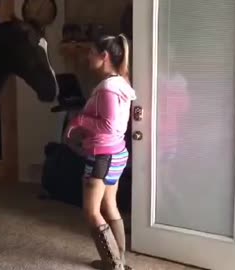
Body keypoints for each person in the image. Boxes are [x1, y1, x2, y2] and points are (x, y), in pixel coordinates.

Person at [65, 34, 136, 270]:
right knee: (110, 205)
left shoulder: (107, 88)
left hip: (102, 155)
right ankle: (119, 260)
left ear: (104, 56)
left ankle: (114, 264)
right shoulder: (120, 82)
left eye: (91, 53)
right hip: (115, 153)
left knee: (92, 211)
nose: (88, 57)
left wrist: (79, 120)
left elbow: (108, 125)